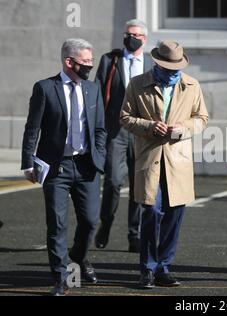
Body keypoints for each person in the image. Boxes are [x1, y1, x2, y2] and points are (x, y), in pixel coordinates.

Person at [21, 39, 107, 296]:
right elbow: (32, 129)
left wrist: (99, 156)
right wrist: (28, 162)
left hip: (86, 166)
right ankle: (61, 276)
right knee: (57, 223)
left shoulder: (93, 89)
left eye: (92, 62)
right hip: (56, 167)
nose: (90, 67)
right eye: (86, 63)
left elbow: (100, 129)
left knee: (91, 221)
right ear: (69, 62)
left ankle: (78, 257)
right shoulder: (45, 88)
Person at [120, 41, 208, 288]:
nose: (173, 72)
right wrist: (148, 126)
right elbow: (124, 117)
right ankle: (147, 268)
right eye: (168, 68)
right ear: (157, 63)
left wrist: (183, 129)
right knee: (151, 211)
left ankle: (164, 267)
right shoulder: (137, 84)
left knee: (174, 213)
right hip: (149, 159)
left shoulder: (191, 85)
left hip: (177, 161)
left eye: (176, 68)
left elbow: (202, 119)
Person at [95, 19, 151, 253]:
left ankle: (134, 234)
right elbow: (98, 93)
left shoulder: (151, 63)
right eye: (128, 34)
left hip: (142, 133)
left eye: (136, 34)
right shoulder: (110, 61)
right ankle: (105, 224)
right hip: (116, 132)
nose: (131, 38)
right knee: (113, 182)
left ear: (144, 39)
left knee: (139, 185)